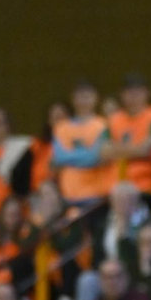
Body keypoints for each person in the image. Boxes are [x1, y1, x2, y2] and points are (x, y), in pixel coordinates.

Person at [52, 81, 114, 209]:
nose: (83, 101)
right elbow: (59, 157)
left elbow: (97, 157)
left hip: (96, 195)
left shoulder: (104, 125)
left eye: (87, 97)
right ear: (73, 99)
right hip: (67, 195)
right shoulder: (61, 127)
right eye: (79, 97)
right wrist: (88, 154)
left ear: (95, 98)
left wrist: (71, 157)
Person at [107, 75, 151, 207]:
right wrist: (135, 150)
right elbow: (104, 152)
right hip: (115, 186)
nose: (133, 96)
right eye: (129, 91)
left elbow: (144, 150)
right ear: (122, 94)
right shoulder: (114, 119)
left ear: (147, 93)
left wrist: (118, 150)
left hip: (145, 186)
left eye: (138, 91)